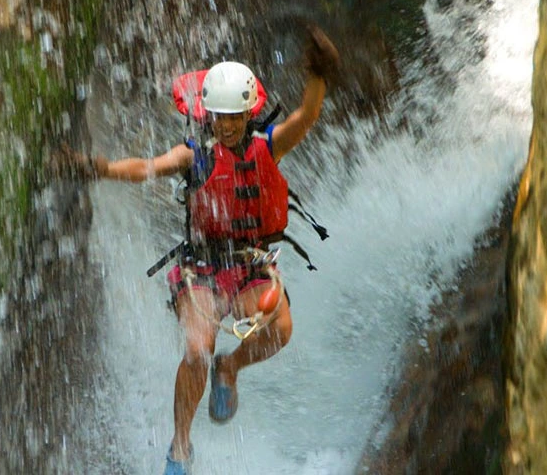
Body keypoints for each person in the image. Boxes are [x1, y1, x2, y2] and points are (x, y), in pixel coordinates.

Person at [52, 25, 340, 475]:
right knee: (195, 348)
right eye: (220, 117)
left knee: (279, 328)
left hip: (249, 264)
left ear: (249, 113)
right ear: (207, 114)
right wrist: (98, 168)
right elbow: (148, 167)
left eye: (235, 117)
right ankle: (180, 447)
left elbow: (306, 116)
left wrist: (319, 75)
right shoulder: (195, 155)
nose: (226, 125)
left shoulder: (268, 146)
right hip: (203, 268)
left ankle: (231, 368)